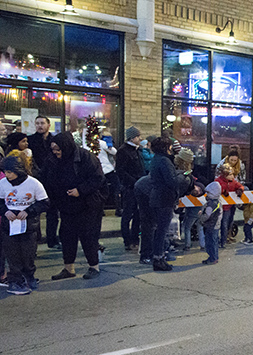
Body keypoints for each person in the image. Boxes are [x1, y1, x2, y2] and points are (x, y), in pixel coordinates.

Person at [43, 132, 107, 280]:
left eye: (58, 149)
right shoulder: (53, 160)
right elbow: (46, 177)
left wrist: (80, 190)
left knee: (88, 236)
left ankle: (93, 266)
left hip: (87, 204)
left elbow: (98, 179)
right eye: (53, 149)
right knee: (67, 236)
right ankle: (68, 268)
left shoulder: (85, 157)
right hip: (66, 204)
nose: (56, 152)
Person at [1, 156, 49, 295]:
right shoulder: (3, 183)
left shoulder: (33, 183)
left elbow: (44, 203)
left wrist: (29, 211)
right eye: (6, 172)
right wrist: (5, 211)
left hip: (28, 226)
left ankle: (29, 276)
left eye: (10, 172)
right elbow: (0, 202)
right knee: (13, 255)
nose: (8, 175)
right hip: (9, 226)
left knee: (28, 254)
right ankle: (15, 280)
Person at [149, 137, 189, 271]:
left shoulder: (156, 159)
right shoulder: (164, 161)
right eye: (170, 146)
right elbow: (171, 181)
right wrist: (183, 175)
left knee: (159, 230)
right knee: (162, 230)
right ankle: (159, 258)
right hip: (164, 199)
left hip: (157, 197)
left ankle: (158, 257)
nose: (171, 148)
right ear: (165, 147)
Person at [116, 126, 146, 251]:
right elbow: (121, 170)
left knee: (138, 215)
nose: (140, 138)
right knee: (128, 214)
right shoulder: (123, 151)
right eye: (138, 136)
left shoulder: (137, 150)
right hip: (129, 187)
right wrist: (134, 182)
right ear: (132, 138)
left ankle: (135, 239)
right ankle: (127, 241)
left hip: (139, 187)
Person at [215, 163, 245, 248]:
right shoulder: (218, 181)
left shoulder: (232, 182)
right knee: (218, 225)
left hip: (227, 208)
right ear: (225, 175)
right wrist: (221, 191)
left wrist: (240, 189)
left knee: (225, 224)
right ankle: (217, 240)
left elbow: (240, 186)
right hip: (219, 207)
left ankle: (223, 241)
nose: (232, 176)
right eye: (230, 174)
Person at [199, 181, 222, 264]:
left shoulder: (211, 204)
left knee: (210, 242)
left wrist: (201, 217)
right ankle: (214, 257)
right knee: (214, 242)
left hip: (211, 226)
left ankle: (212, 258)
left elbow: (207, 215)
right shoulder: (217, 202)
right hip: (215, 225)